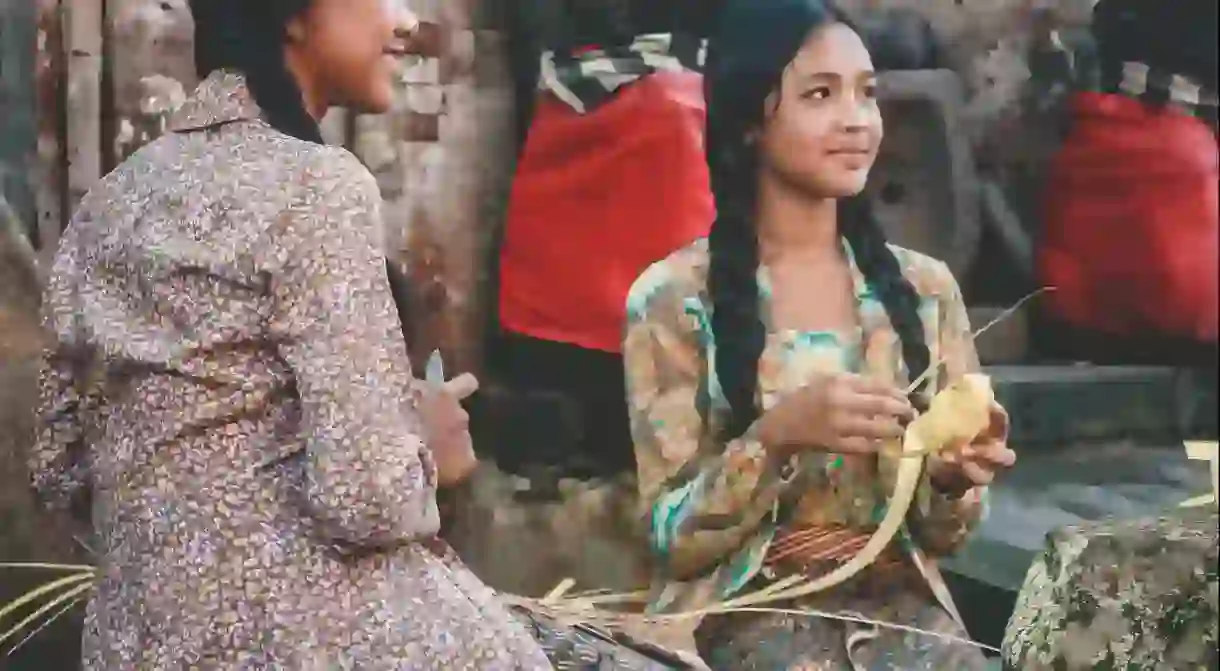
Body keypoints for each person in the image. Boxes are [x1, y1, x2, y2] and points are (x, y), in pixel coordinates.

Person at [28, 0, 551, 667]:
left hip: (132, 644)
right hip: (300, 643)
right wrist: (425, 447)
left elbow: (59, 467)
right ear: (293, 16)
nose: (407, 20)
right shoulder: (321, 190)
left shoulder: (108, 204)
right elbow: (367, 500)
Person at [621, 1, 1016, 668]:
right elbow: (671, 535)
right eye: (820, 94)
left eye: (868, 93)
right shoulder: (673, 299)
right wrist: (775, 436)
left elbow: (944, 539)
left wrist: (951, 477)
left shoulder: (924, 292)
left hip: (906, 619)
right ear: (750, 119)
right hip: (743, 620)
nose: (857, 120)